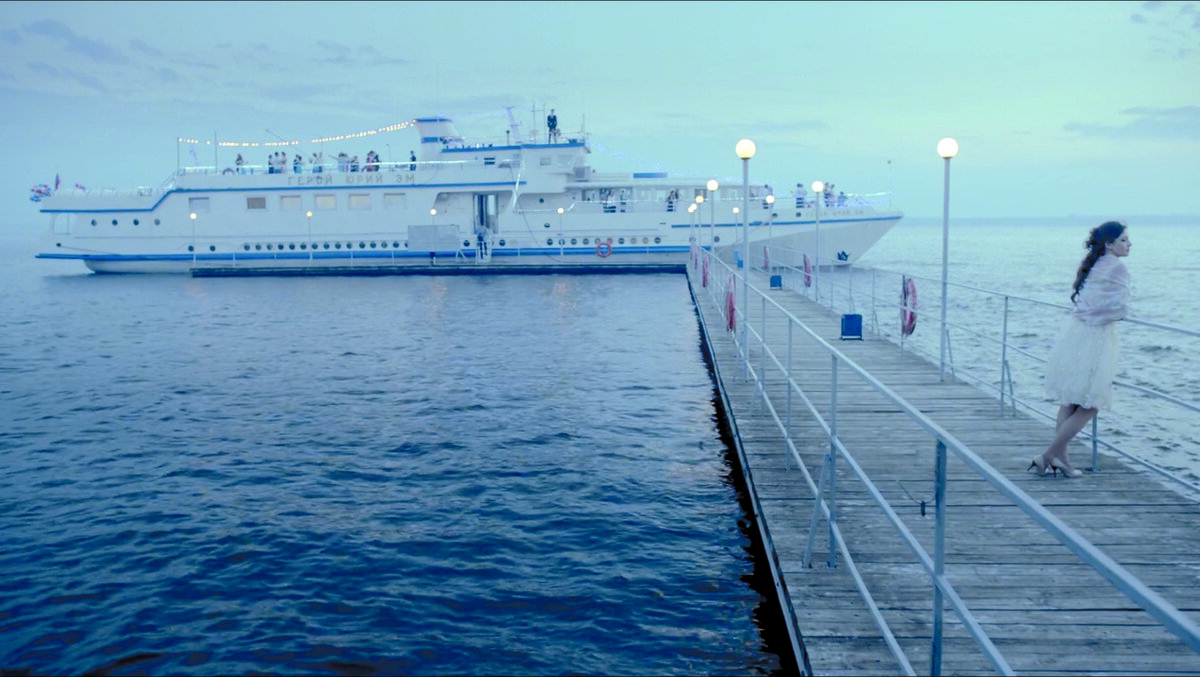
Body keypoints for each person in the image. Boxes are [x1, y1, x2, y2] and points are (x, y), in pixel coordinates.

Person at [1030, 221, 1132, 478]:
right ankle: (1048, 455)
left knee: (1071, 400)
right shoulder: (1118, 267)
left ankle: (1061, 458)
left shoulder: (1093, 264)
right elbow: (1119, 308)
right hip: (1097, 338)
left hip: (1077, 334)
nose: (1129, 244)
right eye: (1123, 240)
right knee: (1090, 405)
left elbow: (1088, 302)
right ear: (1109, 244)